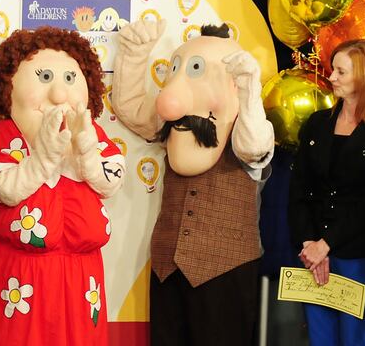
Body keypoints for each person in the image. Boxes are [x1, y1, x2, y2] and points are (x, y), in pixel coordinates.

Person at [111, 20, 274, 346]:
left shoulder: (248, 126)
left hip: (224, 268)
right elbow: (132, 108)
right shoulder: (175, 125)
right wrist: (134, 54)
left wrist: (249, 91)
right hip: (168, 265)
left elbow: (255, 147)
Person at [0, 26, 125, 345]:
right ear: (9, 88)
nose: (59, 95)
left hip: (81, 278)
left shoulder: (94, 134)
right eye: (45, 78)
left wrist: (85, 148)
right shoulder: (6, 135)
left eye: (70, 80)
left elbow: (110, 181)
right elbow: (4, 188)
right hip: (20, 277)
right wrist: (42, 157)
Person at [288, 39, 365, 345]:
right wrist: (310, 243)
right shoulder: (316, 124)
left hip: (355, 255)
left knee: (354, 338)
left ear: (364, 76)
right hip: (312, 253)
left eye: (341, 71)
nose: (332, 77)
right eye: (333, 69)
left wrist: (327, 243)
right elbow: (299, 189)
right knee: (319, 338)